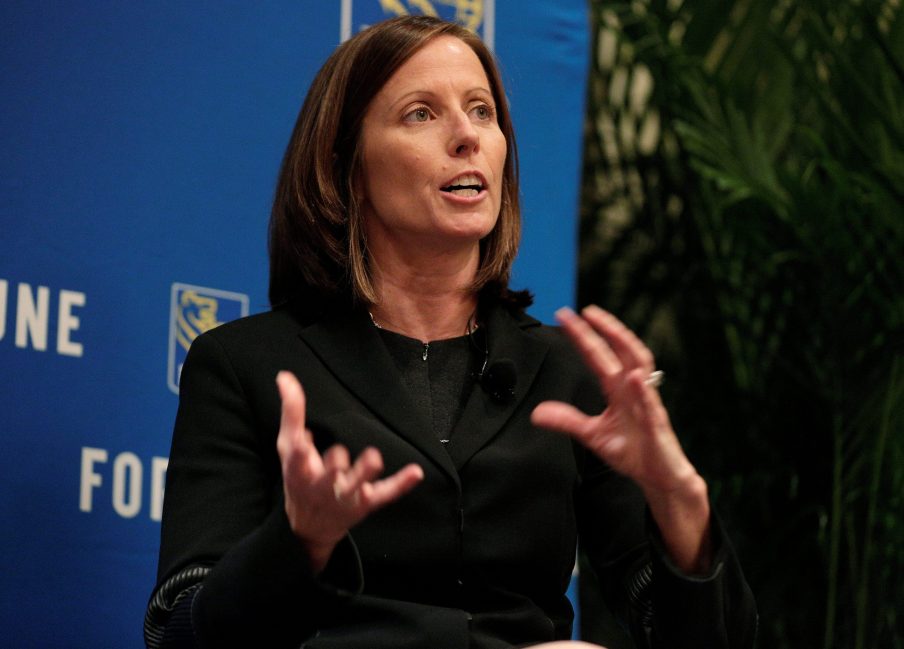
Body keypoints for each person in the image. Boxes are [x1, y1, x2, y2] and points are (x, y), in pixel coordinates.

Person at [144, 15, 757, 649]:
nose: (467, 136)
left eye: (482, 111)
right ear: (345, 167)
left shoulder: (570, 373)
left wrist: (679, 496)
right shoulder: (245, 365)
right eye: (420, 114)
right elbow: (177, 630)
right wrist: (297, 543)